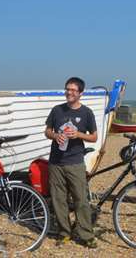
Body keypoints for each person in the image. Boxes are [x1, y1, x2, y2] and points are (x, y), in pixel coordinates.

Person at [45, 77, 98, 248]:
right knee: (58, 200)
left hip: (75, 162)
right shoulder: (57, 110)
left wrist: (79, 135)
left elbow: (94, 136)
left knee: (81, 200)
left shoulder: (86, 113)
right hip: (56, 162)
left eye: (74, 90)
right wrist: (55, 135)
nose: (70, 92)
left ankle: (86, 235)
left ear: (81, 93)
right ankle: (64, 233)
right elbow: (47, 131)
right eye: (68, 89)